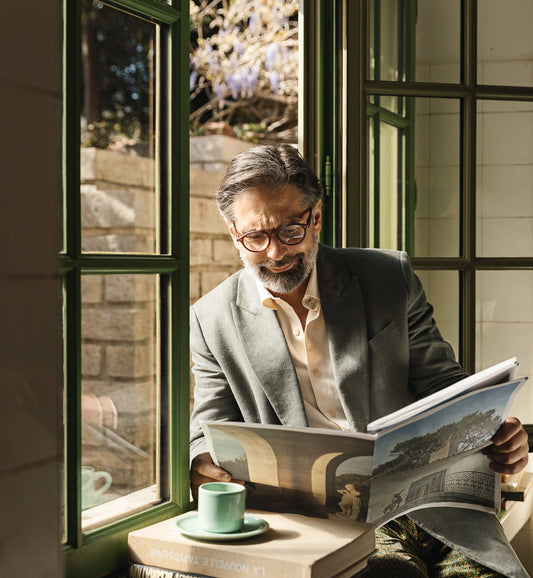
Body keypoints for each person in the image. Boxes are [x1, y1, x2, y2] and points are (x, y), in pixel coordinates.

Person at [189, 144, 529, 577]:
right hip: (324, 522)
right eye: (255, 237)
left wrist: (495, 429)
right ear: (233, 231)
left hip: (436, 506)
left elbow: (444, 385)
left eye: (290, 231)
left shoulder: (387, 277)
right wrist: (201, 463)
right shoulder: (210, 318)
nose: (275, 253)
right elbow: (207, 427)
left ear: (315, 217)